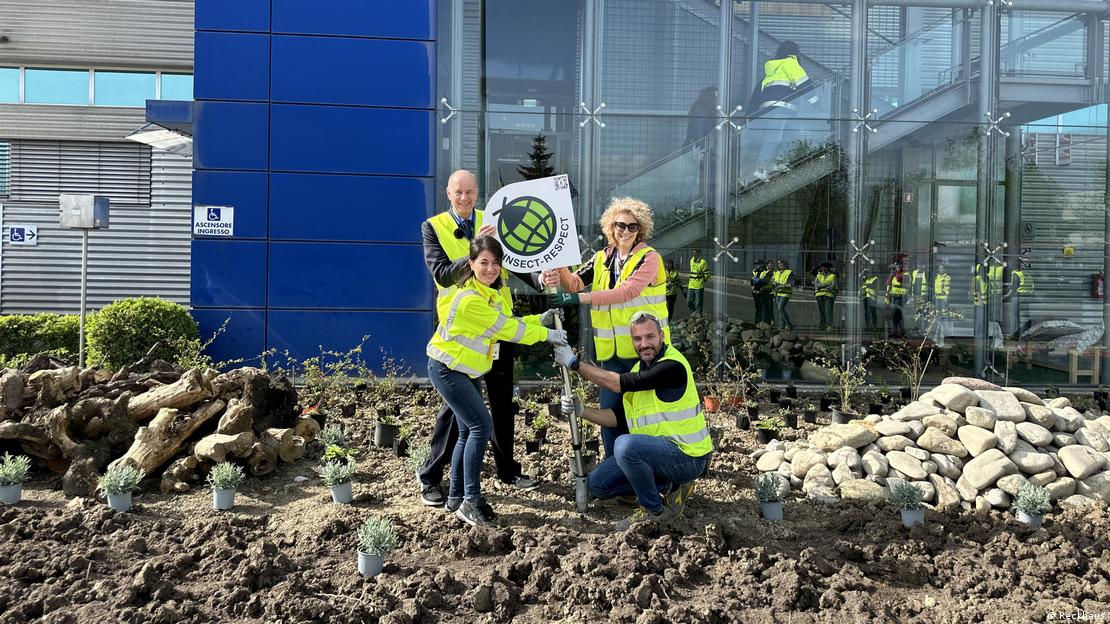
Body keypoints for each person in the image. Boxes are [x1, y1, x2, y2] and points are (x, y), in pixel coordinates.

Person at [418, 169, 542, 508]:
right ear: (448, 192)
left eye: (470, 192)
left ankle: (507, 470)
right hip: (463, 330)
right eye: (459, 192)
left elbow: (513, 261)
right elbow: (442, 275)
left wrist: (540, 279)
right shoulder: (434, 226)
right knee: (457, 412)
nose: (465, 198)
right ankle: (430, 475)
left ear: (477, 192)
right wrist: (474, 254)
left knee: (502, 402)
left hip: (498, 325)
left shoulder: (492, 219)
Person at [427, 236, 568, 526]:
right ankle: (472, 500)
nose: (490, 268)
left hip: (463, 370)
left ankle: (456, 497)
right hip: (448, 369)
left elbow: (509, 323)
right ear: (471, 264)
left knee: (468, 432)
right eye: (484, 263)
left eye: (496, 263)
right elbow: (507, 330)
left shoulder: (488, 295)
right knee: (481, 427)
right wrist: (549, 335)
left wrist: (540, 319)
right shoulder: (469, 300)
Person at [555, 311, 712, 530]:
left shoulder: (672, 366)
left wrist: (574, 363)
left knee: (624, 445)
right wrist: (581, 410)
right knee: (598, 485)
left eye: (650, 337)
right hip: (656, 455)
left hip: (687, 457)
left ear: (662, 336)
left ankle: (654, 510)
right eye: (637, 339)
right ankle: (671, 486)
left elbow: (617, 383)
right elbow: (616, 418)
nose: (644, 344)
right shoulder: (639, 368)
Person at [542, 197, 670, 459]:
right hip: (610, 355)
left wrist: (576, 299)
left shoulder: (649, 258)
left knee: (643, 418)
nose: (625, 231)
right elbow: (576, 283)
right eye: (620, 225)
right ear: (610, 227)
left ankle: (649, 472)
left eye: (632, 227)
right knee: (610, 418)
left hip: (643, 354)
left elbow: (627, 292)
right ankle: (616, 474)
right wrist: (560, 264)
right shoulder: (602, 258)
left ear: (640, 230)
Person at [748, 41, 812, 181]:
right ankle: (761, 168)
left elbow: (757, 93)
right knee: (775, 137)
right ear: (794, 53)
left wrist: (750, 115)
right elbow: (805, 83)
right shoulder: (791, 63)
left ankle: (779, 162)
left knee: (786, 136)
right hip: (781, 107)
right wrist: (815, 101)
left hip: (769, 109)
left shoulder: (772, 71)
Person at [1007, 259, 1034, 339]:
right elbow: (1032, 288)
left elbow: (1014, 289)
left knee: (1014, 316)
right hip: (1027, 298)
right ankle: (1026, 334)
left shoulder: (1017, 274)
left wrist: (1006, 297)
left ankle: (1013, 334)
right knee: (1025, 316)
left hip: (1018, 297)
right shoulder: (1028, 275)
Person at [813, 263, 837, 331]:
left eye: (825, 267)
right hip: (819, 295)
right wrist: (826, 285)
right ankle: (822, 324)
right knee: (822, 311)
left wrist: (822, 286)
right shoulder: (818, 275)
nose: (823, 269)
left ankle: (829, 325)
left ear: (828, 268)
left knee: (828, 311)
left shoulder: (833, 276)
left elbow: (832, 286)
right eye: (822, 267)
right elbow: (816, 285)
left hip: (829, 295)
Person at [771, 258, 794, 329]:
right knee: (779, 310)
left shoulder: (789, 272)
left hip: (785, 293)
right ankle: (782, 326)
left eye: (781, 263)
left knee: (780, 308)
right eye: (778, 263)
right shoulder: (777, 272)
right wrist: (773, 282)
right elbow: (772, 280)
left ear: (785, 264)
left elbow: (791, 284)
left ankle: (789, 324)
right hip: (777, 294)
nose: (780, 265)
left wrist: (782, 286)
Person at [886, 263, 907, 338]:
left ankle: (897, 331)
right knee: (897, 315)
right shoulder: (894, 275)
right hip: (894, 297)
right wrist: (891, 274)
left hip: (901, 297)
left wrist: (897, 271)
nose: (892, 270)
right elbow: (888, 282)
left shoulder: (904, 274)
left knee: (895, 315)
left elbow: (899, 279)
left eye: (893, 269)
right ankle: (900, 331)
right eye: (891, 269)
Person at [933, 264, 951, 347]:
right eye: (939, 268)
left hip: (943, 298)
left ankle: (942, 330)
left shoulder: (947, 277)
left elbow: (947, 288)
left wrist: (946, 297)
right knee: (938, 314)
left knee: (943, 314)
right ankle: (939, 325)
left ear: (944, 269)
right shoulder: (937, 277)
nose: (940, 270)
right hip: (937, 297)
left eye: (942, 268)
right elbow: (936, 287)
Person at [687, 249, 709, 313]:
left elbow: (707, 274)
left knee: (698, 304)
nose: (694, 254)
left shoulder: (703, 262)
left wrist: (703, 281)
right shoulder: (691, 260)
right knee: (689, 302)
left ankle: (698, 317)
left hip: (699, 287)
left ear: (699, 253)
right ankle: (694, 313)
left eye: (695, 252)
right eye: (693, 252)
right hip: (691, 286)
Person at [751, 260, 772, 325]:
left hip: (765, 292)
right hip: (756, 292)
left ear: (762, 265)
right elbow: (752, 280)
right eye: (755, 265)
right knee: (758, 308)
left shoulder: (768, 271)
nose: (756, 266)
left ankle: (766, 323)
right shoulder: (755, 271)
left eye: (758, 264)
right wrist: (753, 286)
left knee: (765, 308)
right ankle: (757, 323)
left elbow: (765, 281)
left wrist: (755, 285)